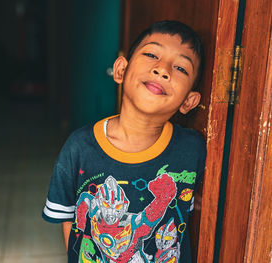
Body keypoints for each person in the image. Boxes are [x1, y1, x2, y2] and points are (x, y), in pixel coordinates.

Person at [42, 20, 206, 263]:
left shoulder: (194, 149)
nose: (163, 70)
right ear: (121, 70)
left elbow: (151, 222)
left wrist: (162, 198)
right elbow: (70, 219)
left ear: (189, 101)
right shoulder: (79, 147)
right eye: (152, 54)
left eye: (181, 68)